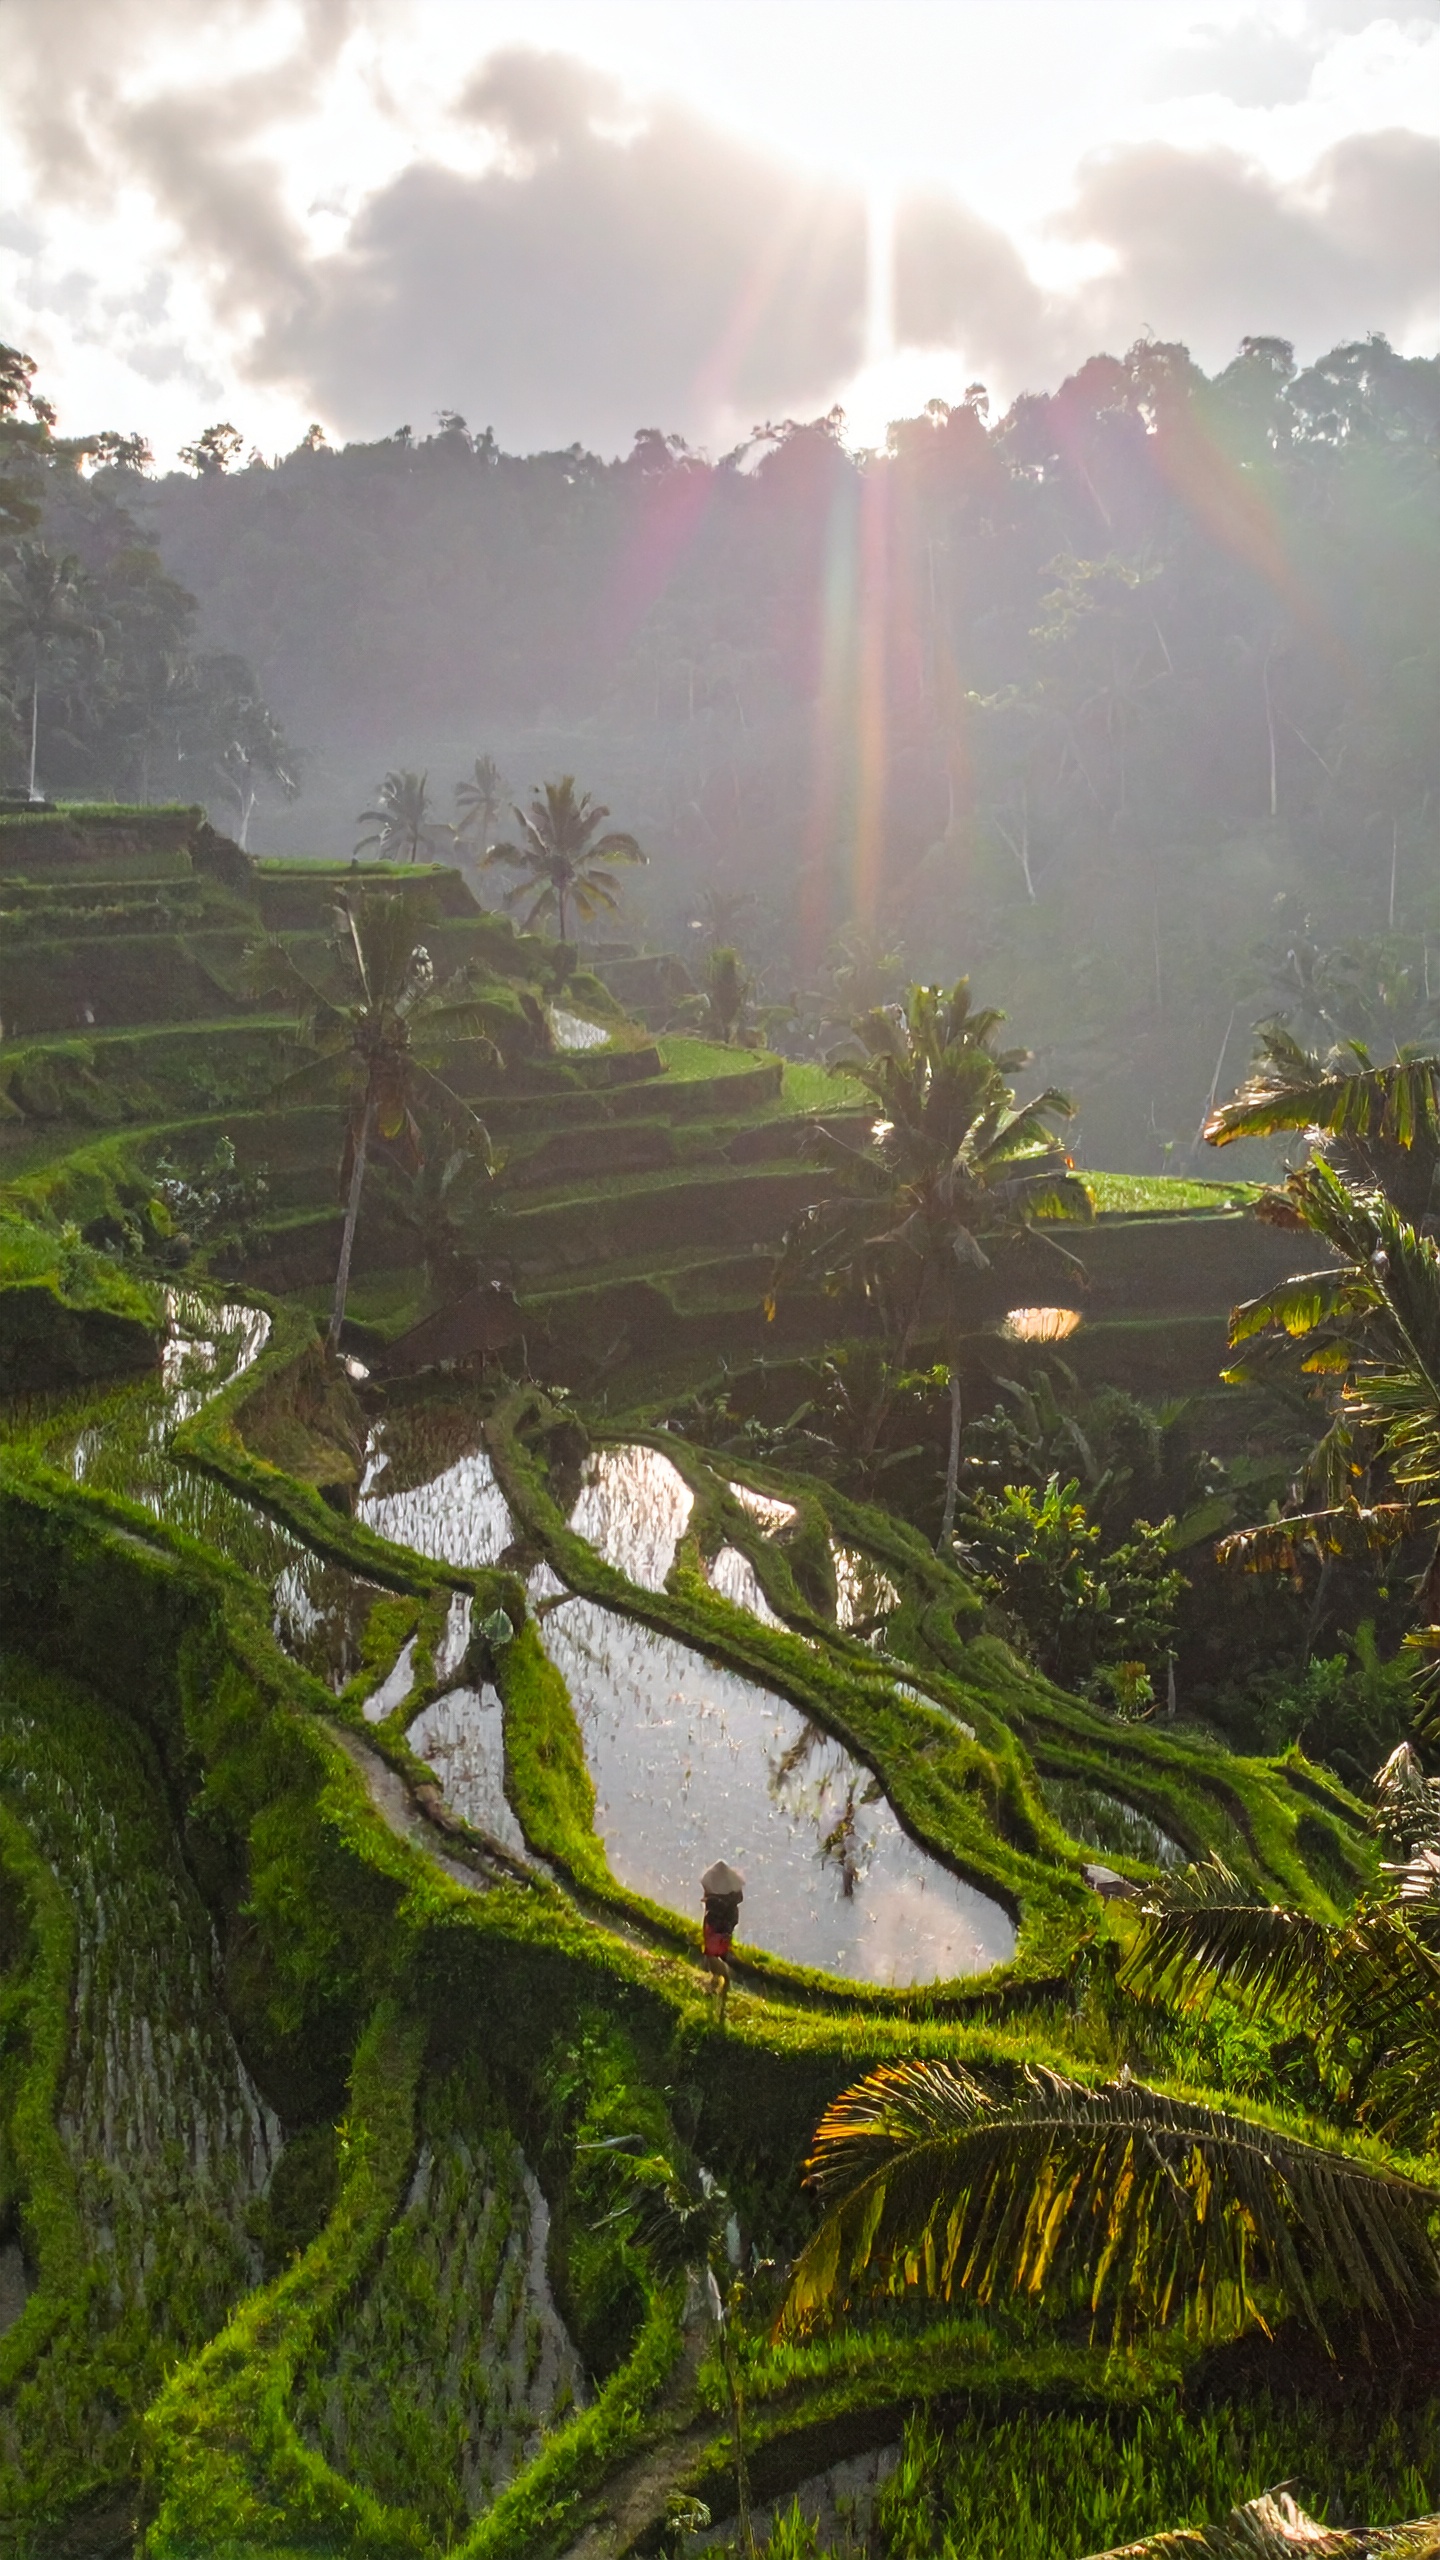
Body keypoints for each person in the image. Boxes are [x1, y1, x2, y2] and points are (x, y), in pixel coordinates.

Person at [701, 1859, 745, 2014]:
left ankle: (723, 1980)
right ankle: (717, 1980)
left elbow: (713, 1914)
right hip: (726, 1927)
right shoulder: (732, 1892)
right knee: (721, 1951)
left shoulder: (717, 1900)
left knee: (712, 1954)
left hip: (716, 1928)